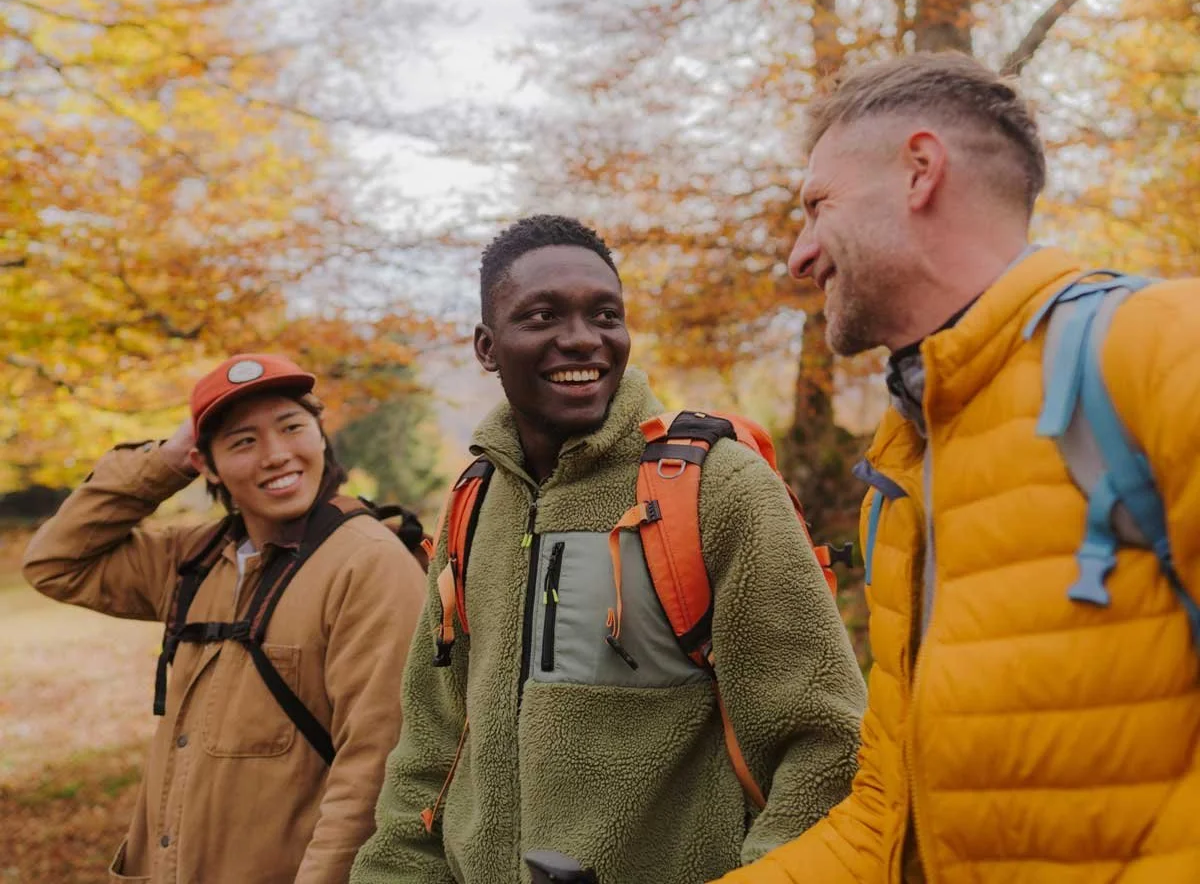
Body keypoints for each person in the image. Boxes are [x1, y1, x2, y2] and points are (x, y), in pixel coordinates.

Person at [718, 51, 1200, 883]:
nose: (799, 256)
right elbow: (885, 815)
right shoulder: (903, 470)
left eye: (816, 206)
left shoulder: (1158, 347)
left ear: (919, 171)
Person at [350, 215, 867, 884]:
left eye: (605, 315)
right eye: (541, 317)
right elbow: (431, 742)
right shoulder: (473, 502)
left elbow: (826, 745)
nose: (582, 340)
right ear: (486, 346)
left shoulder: (715, 487)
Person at [22, 353, 429, 884]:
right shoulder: (192, 559)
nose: (277, 455)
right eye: (243, 441)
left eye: (292, 428)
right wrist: (167, 460)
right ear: (206, 465)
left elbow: (374, 764)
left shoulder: (367, 564)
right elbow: (55, 563)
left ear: (320, 436)